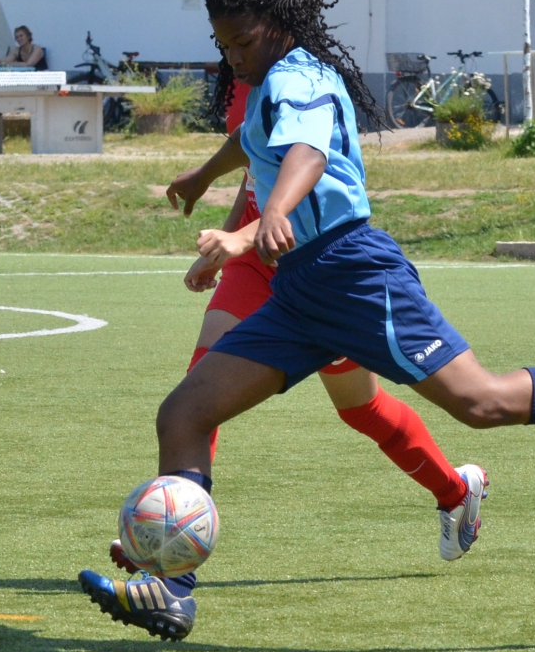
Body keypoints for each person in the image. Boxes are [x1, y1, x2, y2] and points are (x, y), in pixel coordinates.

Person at [78, 0, 535, 641]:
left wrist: (275, 211)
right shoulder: (270, 80)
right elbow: (253, 135)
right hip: (299, 291)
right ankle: (172, 589)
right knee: (183, 413)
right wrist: (204, 174)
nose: (232, 57)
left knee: (481, 402)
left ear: (278, 24)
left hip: (354, 275)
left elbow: (306, 152)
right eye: (222, 44)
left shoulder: (300, 76)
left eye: (241, 42)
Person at [126, 81, 488, 573]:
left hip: (316, 266)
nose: (231, 49)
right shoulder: (246, 71)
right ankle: (170, 549)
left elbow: (312, 191)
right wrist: (225, 246)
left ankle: (456, 491)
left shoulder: (302, 79)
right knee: (197, 394)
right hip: (255, 262)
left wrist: (240, 238)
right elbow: (254, 177)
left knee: (360, 408)